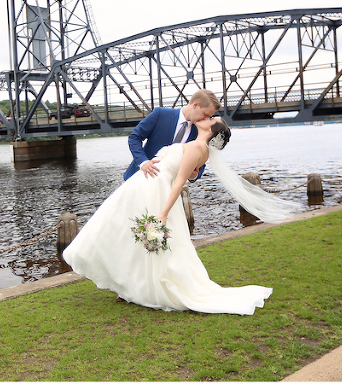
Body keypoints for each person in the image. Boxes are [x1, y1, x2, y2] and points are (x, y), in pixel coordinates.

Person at [63, 116, 298, 315]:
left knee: (131, 232)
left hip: (155, 189)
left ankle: (140, 285)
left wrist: (163, 213)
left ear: (211, 130)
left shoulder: (198, 147)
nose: (206, 118)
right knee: (121, 229)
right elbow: (188, 169)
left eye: (210, 119)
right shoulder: (199, 148)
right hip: (147, 184)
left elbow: (180, 182)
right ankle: (132, 283)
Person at [124, 89, 220, 182]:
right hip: (138, 178)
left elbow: (200, 165)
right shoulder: (160, 114)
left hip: (169, 187)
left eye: (209, 117)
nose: (206, 120)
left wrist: (193, 175)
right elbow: (134, 137)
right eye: (205, 114)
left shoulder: (200, 133)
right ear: (195, 105)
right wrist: (143, 162)